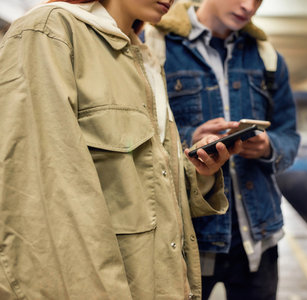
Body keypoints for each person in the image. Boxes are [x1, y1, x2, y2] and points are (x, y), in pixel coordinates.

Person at [0, 0, 243, 299]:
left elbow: (136, 185)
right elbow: (45, 202)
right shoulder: (50, 32)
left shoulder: (144, 57)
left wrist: (196, 172)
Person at [150, 0, 300, 299]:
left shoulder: (266, 57)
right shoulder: (156, 46)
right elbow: (137, 134)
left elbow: (290, 136)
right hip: (186, 238)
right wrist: (189, 139)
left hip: (258, 239)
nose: (249, 6)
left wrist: (269, 146)